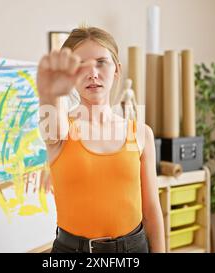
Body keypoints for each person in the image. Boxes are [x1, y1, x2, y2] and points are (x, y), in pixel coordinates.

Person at [37, 26, 165, 253]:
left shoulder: (141, 133)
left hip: (134, 250)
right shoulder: (61, 130)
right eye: (80, 65)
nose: (92, 73)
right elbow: (53, 121)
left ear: (117, 69)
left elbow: (152, 211)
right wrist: (51, 92)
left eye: (101, 62)